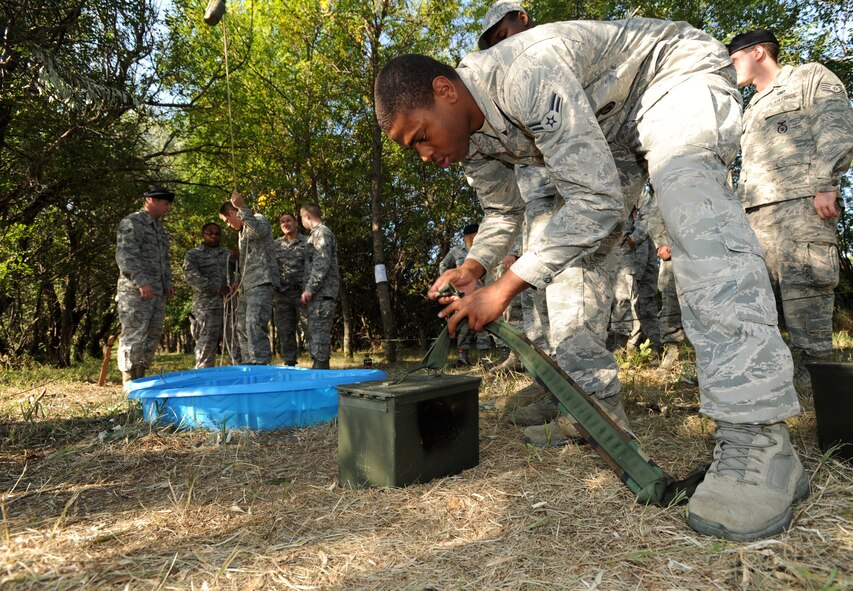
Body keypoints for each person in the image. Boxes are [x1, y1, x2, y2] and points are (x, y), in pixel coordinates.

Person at [375, 18, 806, 541]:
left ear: (445, 91)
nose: (425, 155)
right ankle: (591, 409)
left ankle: (759, 439)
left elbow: (596, 201)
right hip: (611, 135)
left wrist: (504, 288)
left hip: (670, 76)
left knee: (689, 202)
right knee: (569, 260)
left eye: (421, 136)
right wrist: (475, 267)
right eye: (411, 148)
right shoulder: (471, 141)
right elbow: (501, 215)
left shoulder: (523, 74)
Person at [727, 29, 853, 396]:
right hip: (754, 217)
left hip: (802, 209)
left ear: (759, 53)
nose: (731, 67)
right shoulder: (750, 107)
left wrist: (826, 182)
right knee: (759, 309)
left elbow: (835, 130)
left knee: (808, 307)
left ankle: (826, 405)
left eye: (734, 59)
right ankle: (778, 392)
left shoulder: (809, 78)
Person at [115, 186, 175, 383]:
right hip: (136, 292)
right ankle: (129, 381)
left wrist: (168, 283)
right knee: (134, 333)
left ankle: (141, 379)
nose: (168, 209)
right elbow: (126, 255)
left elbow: (163, 259)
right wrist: (141, 281)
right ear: (152, 201)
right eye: (166, 204)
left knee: (152, 334)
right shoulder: (133, 222)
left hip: (157, 292)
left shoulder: (159, 228)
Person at [219, 191, 280, 364]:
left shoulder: (257, 218)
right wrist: (237, 281)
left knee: (254, 325)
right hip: (247, 285)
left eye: (227, 221)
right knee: (242, 327)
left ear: (232, 213)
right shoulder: (242, 232)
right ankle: (248, 363)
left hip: (262, 281)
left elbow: (260, 232)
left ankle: (260, 365)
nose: (228, 226)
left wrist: (242, 208)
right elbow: (247, 261)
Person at [182, 223, 239, 368]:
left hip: (229, 306)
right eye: (210, 233)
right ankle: (203, 376)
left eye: (217, 234)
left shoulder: (227, 254)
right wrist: (216, 288)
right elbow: (191, 276)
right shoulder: (194, 254)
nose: (213, 236)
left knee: (235, 342)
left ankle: (239, 375)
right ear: (203, 234)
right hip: (206, 307)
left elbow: (240, 271)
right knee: (206, 343)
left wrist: (236, 280)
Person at [438, 224, 493, 365]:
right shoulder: (456, 251)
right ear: (468, 235)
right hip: (463, 296)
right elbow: (443, 266)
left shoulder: (482, 251)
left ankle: (485, 359)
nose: (479, 237)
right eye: (476, 234)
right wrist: (451, 285)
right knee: (463, 328)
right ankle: (462, 358)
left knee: (482, 326)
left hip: (481, 295)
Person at [300, 203, 340, 369]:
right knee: (316, 335)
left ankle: (321, 373)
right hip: (319, 294)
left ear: (307, 216)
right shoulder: (315, 235)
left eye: (301, 218)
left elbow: (322, 263)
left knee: (320, 336)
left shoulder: (321, 233)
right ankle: (319, 367)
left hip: (322, 294)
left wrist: (310, 288)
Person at [274, 212, 308, 366]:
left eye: (288, 220)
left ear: (296, 223)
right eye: (282, 222)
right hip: (282, 295)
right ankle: (289, 363)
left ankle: (319, 362)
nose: (285, 224)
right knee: (285, 331)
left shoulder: (307, 242)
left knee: (309, 328)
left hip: (303, 293)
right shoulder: (275, 245)